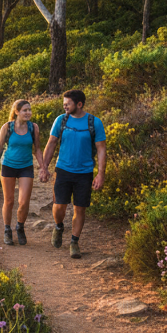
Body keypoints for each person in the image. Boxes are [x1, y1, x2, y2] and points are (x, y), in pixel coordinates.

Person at [41, 89, 106, 259]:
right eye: (64, 103)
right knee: (59, 206)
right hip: (63, 170)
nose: (65, 106)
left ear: (79, 104)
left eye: (68, 103)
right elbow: (51, 143)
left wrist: (100, 174)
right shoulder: (61, 120)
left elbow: (101, 149)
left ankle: (74, 242)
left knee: (80, 209)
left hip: (84, 173)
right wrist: (44, 167)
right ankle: (59, 226)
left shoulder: (94, 123)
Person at [0, 99, 47, 246]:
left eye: (29, 110)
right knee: (9, 201)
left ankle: (20, 227)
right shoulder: (7, 127)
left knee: (24, 202)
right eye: (25, 110)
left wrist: (43, 167)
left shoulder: (34, 128)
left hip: (26, 166)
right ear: (17, 112)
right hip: (8, 165)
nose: (28, 113)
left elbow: (38, 149)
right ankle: (7, 229)